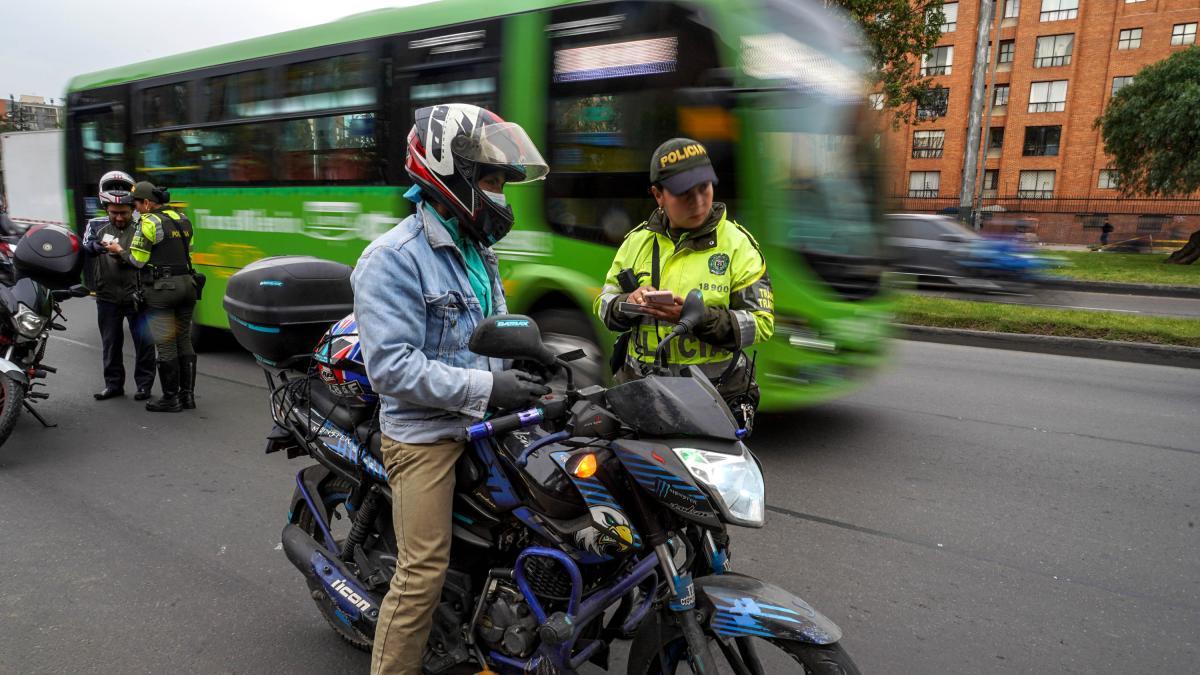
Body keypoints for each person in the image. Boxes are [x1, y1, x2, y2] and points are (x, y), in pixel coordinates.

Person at [351, 103, 551, 675]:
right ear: (448, 175)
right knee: (422, 573)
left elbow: (497, 332)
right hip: (425, 433)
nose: (501, 197)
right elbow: (390, 369)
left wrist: (543, 363)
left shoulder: (477, 252)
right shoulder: (391, 259)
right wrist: (490, 386)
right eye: (490, 181)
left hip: (487, 420)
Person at [595, 138, 774, 431]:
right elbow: (604, 305)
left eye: (704, 188)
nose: (699, 201)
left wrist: (698, 318)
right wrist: (630, 303)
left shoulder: (739, 246)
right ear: (658, 195)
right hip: (643, 395)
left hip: (714, 399)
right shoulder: (636, 243)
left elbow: (762, 323)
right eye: (684, 194)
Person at [82, 171, 155, 401]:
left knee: (144, 344)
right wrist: (94, 248)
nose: (120, 218)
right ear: (106, 209)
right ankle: (113, 385)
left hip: (138, 295)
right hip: (107, 296)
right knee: (111, 344)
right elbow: (85, 246)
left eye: (124, 213)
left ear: (132, 209)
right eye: (114, 213)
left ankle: (144, 386)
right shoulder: (95, 225)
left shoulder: (144, 225)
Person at [128, 181, 198, 412]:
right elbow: (189, 249)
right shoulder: (183, 219)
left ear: (147, 202)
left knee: (166, 344)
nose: (136, 209)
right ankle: (187, 396)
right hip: (188, 285)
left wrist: (120, 252)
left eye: (137, 204)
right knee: (184, 339)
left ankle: (170, 398)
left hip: (162, 290)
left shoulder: (149, 222)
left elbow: (137, 260)